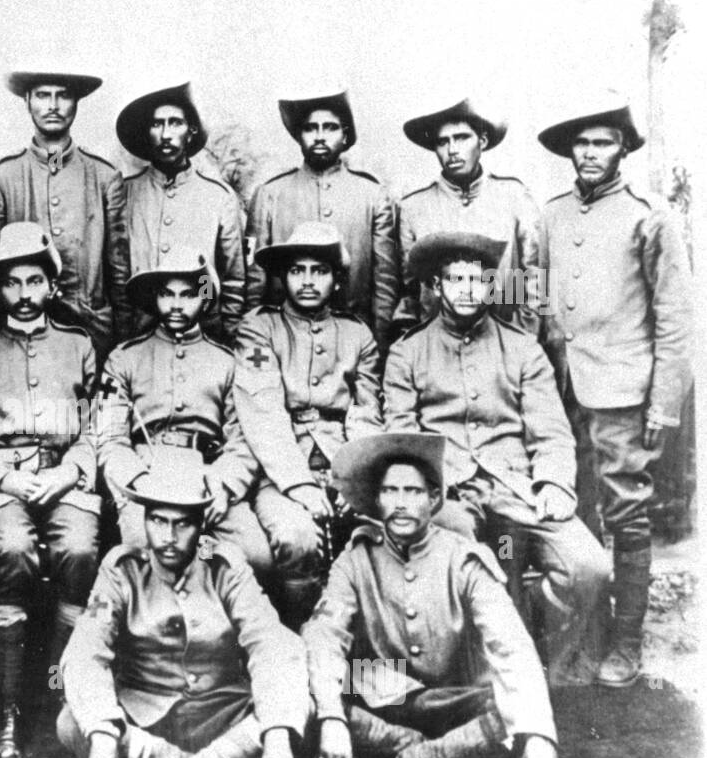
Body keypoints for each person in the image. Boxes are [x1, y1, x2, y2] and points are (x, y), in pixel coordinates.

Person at [385, 231, 611, 685]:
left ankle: (542, 649)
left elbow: (550, 429)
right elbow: (401, 439)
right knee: (466, 552)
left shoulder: (523, 348)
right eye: (455, 280)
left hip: (516, 486)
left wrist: (551, 484)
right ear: (436, 287)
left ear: (492, 286)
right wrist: (432, 492)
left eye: (477, 280)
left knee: (590, 566)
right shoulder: (407, 352)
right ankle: (479, 672)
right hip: (446, 490)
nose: (467, 290)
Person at [305, 432, 563, 758]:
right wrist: (331, 718)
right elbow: (326, 637)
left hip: (451, 705)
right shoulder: (355, 559)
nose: (401, 503)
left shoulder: (464, 559)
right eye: (390, 491)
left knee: (508, 717)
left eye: (413, 492)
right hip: (380, 702)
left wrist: (539, 733)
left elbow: (511, 645)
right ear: (377, 501)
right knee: (314, 697)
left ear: (434, 499)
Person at [537, 96, 693, 687]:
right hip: (562, 390)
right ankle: (588, 637)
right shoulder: (550, 216)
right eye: (582, 143)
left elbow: (676, 318)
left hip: (624, 392)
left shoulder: (649, 217)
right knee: (572, 514)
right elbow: (530, 297)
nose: (591, 153)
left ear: (623, 148)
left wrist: (662, 401)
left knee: (626, 514)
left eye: (602, 142)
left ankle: (627, 644)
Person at [58, 452, 308, 758]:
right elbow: (85, 653)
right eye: (158, 520)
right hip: (149, 722)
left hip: (223, 718)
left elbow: (269, 643)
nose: (169, 538)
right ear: (144, 518)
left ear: (201, 524)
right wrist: (104, 734)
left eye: (183, 524)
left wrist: (276, 736)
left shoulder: (225, 564)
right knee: (72, 724)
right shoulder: (122, 569)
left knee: (293, 715)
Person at [0, 222, 100, 758]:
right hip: (1, 482)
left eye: (35, 281)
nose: (24, 294)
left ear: (52, 287)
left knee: (80, 554)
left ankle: (60, 705)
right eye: (11, 283)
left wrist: (71, 472)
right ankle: (7, 712)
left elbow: (96, 430)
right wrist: (3, 478)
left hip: (65, 480)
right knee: (9, 552)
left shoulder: (78, 347)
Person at [234, 222, 383, 626]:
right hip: (281, 467)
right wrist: (298, 483)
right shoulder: (259, 329)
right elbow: (262, 409)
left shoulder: (357, 335)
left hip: (343, 461)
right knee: (295, 537)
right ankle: (303, 639)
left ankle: (364, 653)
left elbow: (366, 413)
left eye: (319, 271)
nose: (307, 281)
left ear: (336, 279)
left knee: (379, 531)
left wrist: (355, 477)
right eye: (297, 271)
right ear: (283, 278)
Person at [97, 247, 270, 585]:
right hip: (145, 476)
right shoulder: (123, 360)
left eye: (188, 294)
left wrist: (223, 487)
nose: (176, 305)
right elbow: (108, 435)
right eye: (166, 294)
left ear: (204, 300)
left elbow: (243, 440)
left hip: (207, 475)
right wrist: (135, 481)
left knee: (256, 557)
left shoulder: (227, 363)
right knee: (143, 556)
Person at [0, 68, 130, 358]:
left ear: (76, 103)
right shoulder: (2, 177)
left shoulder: (104, 176)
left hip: (92, 331)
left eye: (63, 96)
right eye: (42, 95)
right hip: (21, 332)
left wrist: (123, 344)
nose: (52, 106)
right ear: (27, 101)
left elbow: (119, 270)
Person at [245, 87, 399, 345]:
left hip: (353, 341)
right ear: (298, 135)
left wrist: (379, 346)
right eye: (310, 128)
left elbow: (384, 284)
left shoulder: (373, 196)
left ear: (345, 134)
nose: (319, 136)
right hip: (284, 339)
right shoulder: (269, 194)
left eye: (330, 127)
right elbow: (254, 284)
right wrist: (253, 338)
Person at [394, 97, 541, 338]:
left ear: (482, 141)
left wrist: (521, 341)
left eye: (462, 138)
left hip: (503, 345)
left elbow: (537, 278)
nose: (452, 150)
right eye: (442, 142)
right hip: (436, 348)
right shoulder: (414, 207)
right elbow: (409, 292)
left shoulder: (514, 196)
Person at [116, 81, 245, 343]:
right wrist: (123, 331)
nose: (165, 134)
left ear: (191, 131)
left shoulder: (217, 197)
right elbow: (117, 272)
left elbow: (229, 278)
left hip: (202, 338)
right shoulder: (124, 193)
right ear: (146, 132)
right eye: (156, 124)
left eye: (175, 123)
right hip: (139, 336)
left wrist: (219, 328)